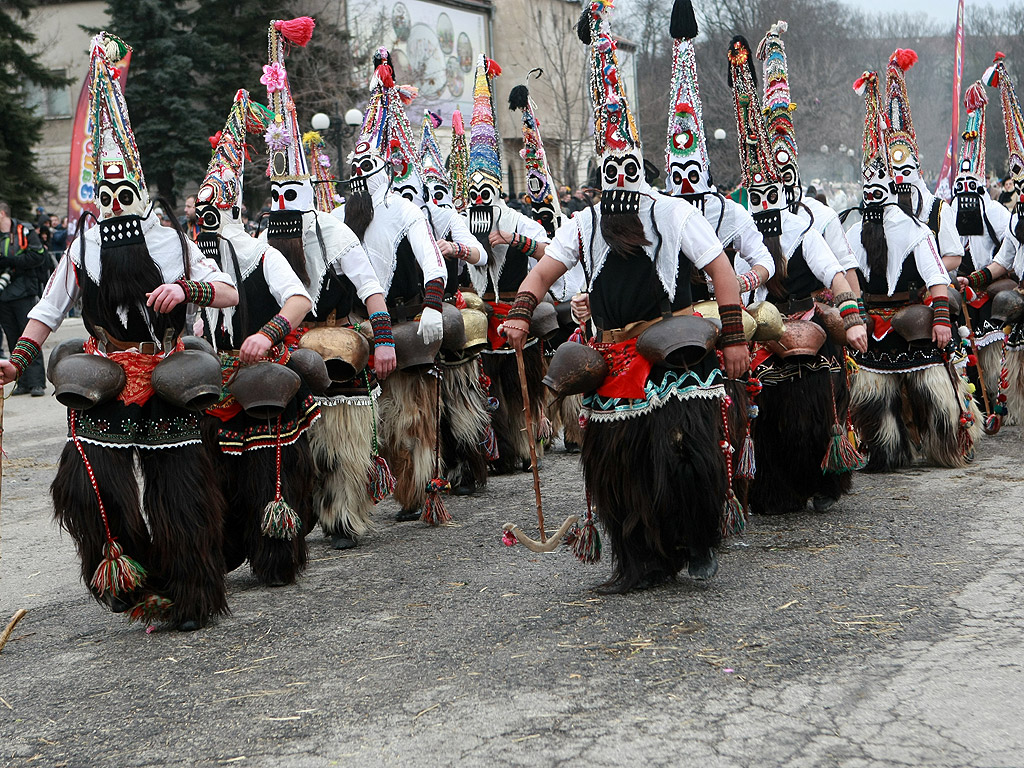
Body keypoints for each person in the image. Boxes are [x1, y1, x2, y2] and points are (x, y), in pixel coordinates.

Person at [504, 2, 747, 593]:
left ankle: (696, 542)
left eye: (626, 169)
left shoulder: (669, 211)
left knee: (683, 460)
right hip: (609, 359)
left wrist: (735, 337)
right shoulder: (584, 223)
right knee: (616, 466)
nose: (618, 181)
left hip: (673, 352)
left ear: (639, 165)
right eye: (609, 170)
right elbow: (543, 275)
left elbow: (723, 272)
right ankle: (637, 561)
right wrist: (518, 312)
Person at [0, 33, 239, 631]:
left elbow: (229, 293)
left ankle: (190, 595)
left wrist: (189, 290)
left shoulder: (170, 240)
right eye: (103, 197)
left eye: (122, 193)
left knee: (179, 492)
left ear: (139, 192)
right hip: (107, 374)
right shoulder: (83, 243)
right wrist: (19, 356)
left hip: (166, 372)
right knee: (85, 485)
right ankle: (133, 579)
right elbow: (50, 307)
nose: (113, 205)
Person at [264, 19, 398, 550]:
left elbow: (369, 285)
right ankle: (295, 512)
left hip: (340, 342)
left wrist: (383, 338)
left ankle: (345, 513)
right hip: (289, 344)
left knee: (342, 441)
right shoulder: (267, 232)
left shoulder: (335, 229)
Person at [196, 88, 318, 587]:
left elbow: (299, 301)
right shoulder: (190, 259)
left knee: (268, 464)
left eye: (210, 217)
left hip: (260, 376)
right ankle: (214, 548)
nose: (202, 227)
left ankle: (275, 550)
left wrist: (267, 335)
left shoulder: (263, 255)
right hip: (210, 378)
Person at [333, 47, 448, 525]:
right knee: (357, 424)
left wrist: (434, 303)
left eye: (366, 172)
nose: (359, 180)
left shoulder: (405, 211)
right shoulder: (338, 217)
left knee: (408, 417)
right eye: (354, 173)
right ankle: (350, 501)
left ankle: (416, 488)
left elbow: (431, 260)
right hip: (357, 328)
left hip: (404, 320)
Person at [847, 68, 979, 471]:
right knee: (873, 395)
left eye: (879, 186)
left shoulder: (916, 228)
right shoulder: (853, 230)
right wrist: (853, 314)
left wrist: (941, 317)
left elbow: (939, 276)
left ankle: (946, 443)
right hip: (873, 323)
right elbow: (847, 275)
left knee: (934, 392)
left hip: (915, 316)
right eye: (867, 187)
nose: (873, 196)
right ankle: (887, 450)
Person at [949, 80, 1011, 412]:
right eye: (961, 186)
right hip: (960, 288)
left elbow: (1010, 244)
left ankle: (996, 399)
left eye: (970, 185)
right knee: (965, 346)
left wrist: (987, 277)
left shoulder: (994, 210)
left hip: (987, 283)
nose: (965, 192)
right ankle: (975, 403)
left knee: (993, 348)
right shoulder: (949, 209)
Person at [0, 200, 48, 395]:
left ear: (2, 214)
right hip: (4, 295)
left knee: (27, 336)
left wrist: (12, 262)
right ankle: (21, 380)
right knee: (12, 338)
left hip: (24, 291)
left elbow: (38, 256)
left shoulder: (24, 230)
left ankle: (37, 382)